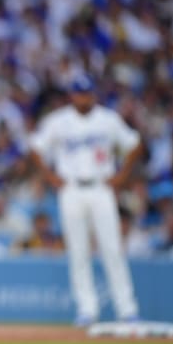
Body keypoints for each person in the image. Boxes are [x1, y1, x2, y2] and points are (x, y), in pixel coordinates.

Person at [29, 75, 143, 326]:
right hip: (71, 188)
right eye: (79, 93)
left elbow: (134, 144)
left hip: (101, 187)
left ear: (93, 94)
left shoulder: (107, 119)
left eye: (87, 93)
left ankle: (127, 309)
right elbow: (36, 147)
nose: (83, 97)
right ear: (72, 95)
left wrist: (122, 175)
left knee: (112, 249)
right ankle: (87, 310)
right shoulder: (58, 121)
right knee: (78, 252)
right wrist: (50, 176)